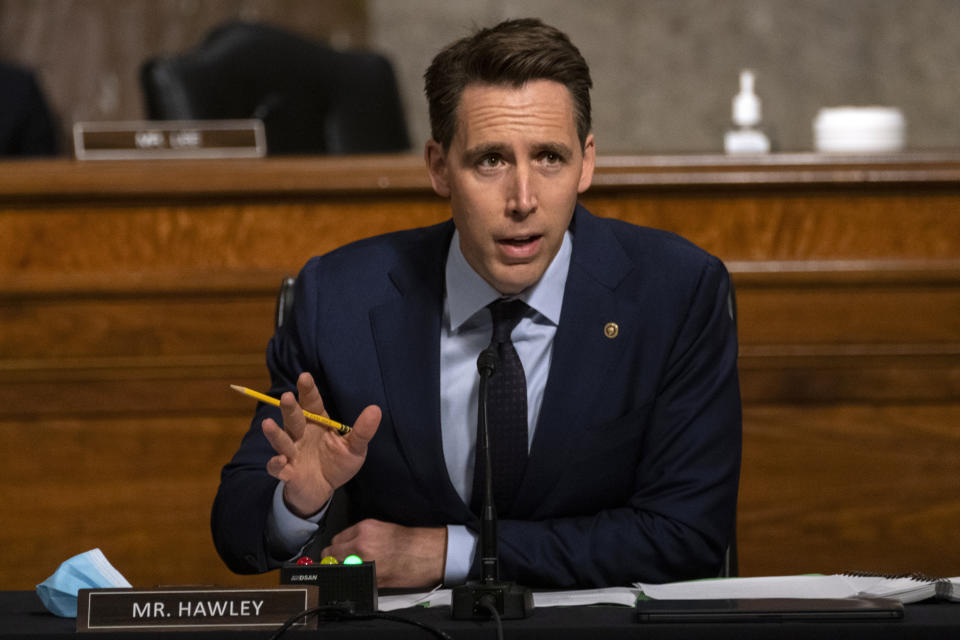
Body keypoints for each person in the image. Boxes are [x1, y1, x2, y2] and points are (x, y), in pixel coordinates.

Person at [212, 17, 740, 589]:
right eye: (490, 160)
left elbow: (688, 537)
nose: (523, 200)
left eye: (549, 158)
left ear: (586, 162)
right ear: (439, 167)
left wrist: (450, 554)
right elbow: (237, 531)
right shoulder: (339, 297)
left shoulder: (676, 292)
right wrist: (297, 503)